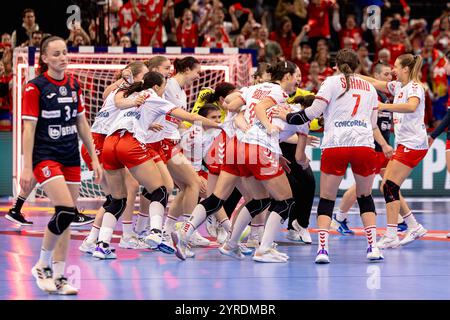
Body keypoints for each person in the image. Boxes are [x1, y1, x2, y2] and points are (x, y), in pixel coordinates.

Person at [172, 61, 302, 263]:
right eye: (297, 76)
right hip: (257, 147)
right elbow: (260, 108)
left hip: (234, 146)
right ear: (286, 77)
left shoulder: (252, 88)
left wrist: (243, 113)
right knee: (285, 201)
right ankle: (263, 248)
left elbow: (230, 104)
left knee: (226, 198)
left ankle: (194, 234)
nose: (299, 80)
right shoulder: (279, 93)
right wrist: (267, 126)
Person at [275, 49, 392, 263]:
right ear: (358, 66)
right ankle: (373, 247)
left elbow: (312, 112)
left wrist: (286, 116)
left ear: (336, 66)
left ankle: (322, 250)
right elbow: (374, 123)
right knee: (365, 197)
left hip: (336, 144)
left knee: (327, 198)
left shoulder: (330, 82)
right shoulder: (370, 88)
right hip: (363, 145)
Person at [95, 71, 220, 259]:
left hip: (109, 143)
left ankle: (101, 244)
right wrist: (219, 125)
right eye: (164, 86)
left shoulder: (131, 93)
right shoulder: (153, 97)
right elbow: (188, 117)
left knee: (117, 199)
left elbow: (118, 103)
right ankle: (155, 233)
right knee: (160, 190)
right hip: (130, 143)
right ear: (156, 87)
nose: (165, 90)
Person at [20, 36, 102, 294]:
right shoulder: (35, 87)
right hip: (45, 156)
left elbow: (82, 124)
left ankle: (59, 276)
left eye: (64, 52)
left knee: (65, 217)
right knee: (66, 210)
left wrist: (95, 158)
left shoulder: (74, 84)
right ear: (44, 59)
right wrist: (26, 165)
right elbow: (29, 128)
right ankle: (42, 266)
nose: (62, 58)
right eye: (56, 54)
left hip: (70, 157)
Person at [78, 61, 150, 254]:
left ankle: (98, 239)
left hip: (105, 141)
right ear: (134, 76)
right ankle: (108, 238)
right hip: (99, 142)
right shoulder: (125, 90)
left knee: (125, 191)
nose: (147, 77)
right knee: (116, 198)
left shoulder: (125, 89)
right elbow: (118, 101)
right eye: (145, 74)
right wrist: (123, 78)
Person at [333, 61, 411, 235]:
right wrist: (382, 145)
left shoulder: (386, 96)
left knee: (389, 184)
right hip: (374, 146)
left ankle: (404, 221)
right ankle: (339, 217)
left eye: (390, 74)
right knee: (367, 186)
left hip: (384, 147)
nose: (389, 77)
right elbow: (370, 123)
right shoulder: (370, 94)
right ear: (375, 76)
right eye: (385, 75)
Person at [359, 54, 428, 248]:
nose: (393, 70)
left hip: (413, 144)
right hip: (405, 143)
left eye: (396, 66)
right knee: (386, 186)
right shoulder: (398, 86)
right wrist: (352, 76)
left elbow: (411, 106)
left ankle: (391, 234)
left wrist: (384, 106)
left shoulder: (415, 87)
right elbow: (374, 82)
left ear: (406, 69)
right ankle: (414, 226)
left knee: (390, 186)